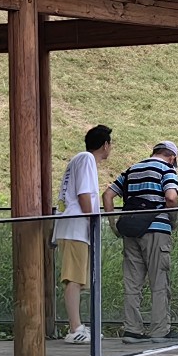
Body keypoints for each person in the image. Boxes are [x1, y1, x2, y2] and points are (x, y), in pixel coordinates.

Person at [109, 138, 178, 342]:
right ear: (172, 157)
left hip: (131, 231)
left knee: (132, 282)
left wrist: (114, 224)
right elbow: (171, 198)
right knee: (159, 281)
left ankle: (132, 330)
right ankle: (160, 330)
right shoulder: (167, 170)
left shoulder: (132, 169)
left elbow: (108, 195)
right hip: (157, 231)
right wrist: (172, 220)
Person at [54, 124, 113, 344]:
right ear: (105, 145)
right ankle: (74, 328)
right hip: (76, 226)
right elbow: (84, 194)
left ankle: (77, 325)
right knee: (74, 278)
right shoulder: (87, 159)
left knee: (76, 279)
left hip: (71, 225)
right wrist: (93, 220)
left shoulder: (79, 159)